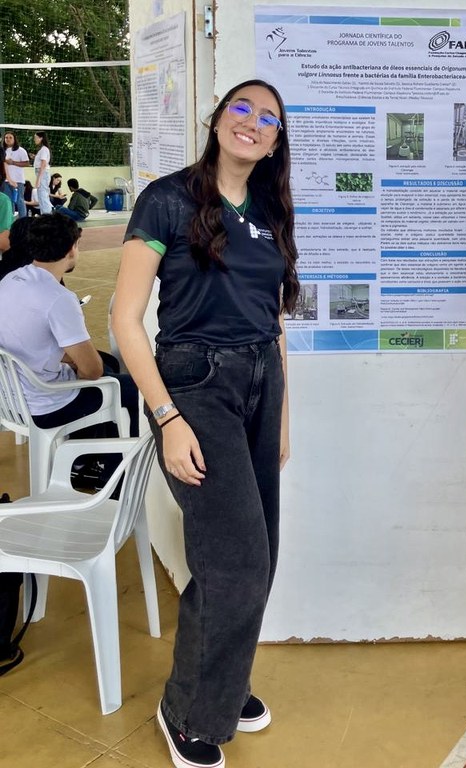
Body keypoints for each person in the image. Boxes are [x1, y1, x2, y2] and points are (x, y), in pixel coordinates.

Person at [112, 78, 298, 768]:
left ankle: (224, 680)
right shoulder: (167, 199)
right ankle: (189, 710)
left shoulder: (273, 208)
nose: (252, 123)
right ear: (217, 120)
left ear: (277, 139)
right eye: (240, 109)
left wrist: (282, 418)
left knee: (254, 556)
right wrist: (167, 416)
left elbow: (273, 319)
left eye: (267, 118)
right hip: (195, 384)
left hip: (261, 383)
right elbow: (125, 321)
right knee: (236, 564)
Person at [0, 214, 138, 437]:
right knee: (129, 388)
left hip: (11, 399)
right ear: (72, 249)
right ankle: (115, 467)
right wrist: (78, 367)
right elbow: (93, 371)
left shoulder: (10, 280)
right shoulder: (59, 298)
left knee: (106, 374)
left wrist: (72, 362)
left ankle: (86, 458)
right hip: (45, 405)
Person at [3, 131, 30, 218]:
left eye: (10, 137)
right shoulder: (2, 150)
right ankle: (10, 220)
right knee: (8, 201)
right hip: (5, 180)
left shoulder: (21, 150)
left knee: (19, 200)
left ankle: (23, 221)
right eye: (6, 137)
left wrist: (13, 162)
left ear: (14, 139)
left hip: (18, 180)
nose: (8, 139)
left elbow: (27, 163)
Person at [32, 131, 52, 214]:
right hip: (42, 173)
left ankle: (48, 218)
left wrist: (38, 179)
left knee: (43, 197)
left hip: (43, 174)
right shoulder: (43, 149)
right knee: (41, 197)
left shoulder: (44, 149)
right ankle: (45, 216)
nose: (34, 140)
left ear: (41, 138)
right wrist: (35, 157)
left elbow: (43, 164)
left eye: (36, 138)